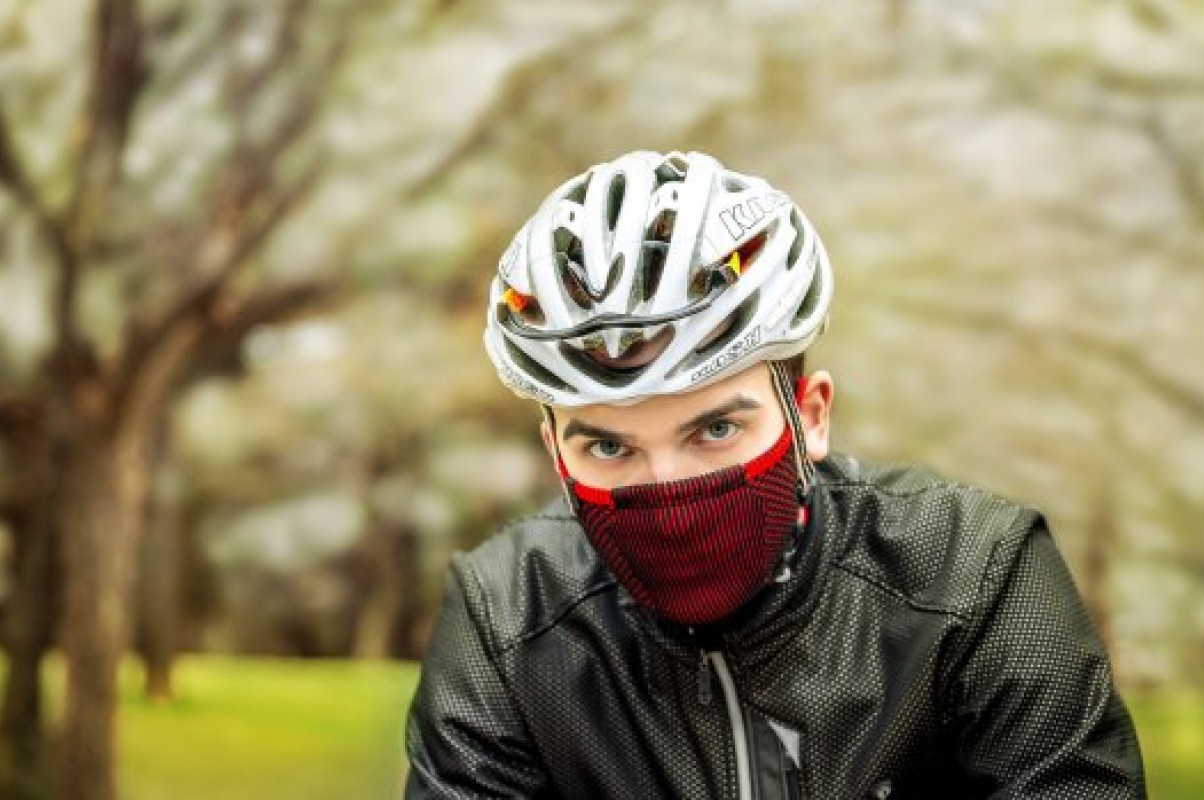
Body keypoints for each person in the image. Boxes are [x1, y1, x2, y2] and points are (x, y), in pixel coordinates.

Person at [404, 150, 1146, 798]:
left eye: (716, 430)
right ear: (554, 456)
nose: (665, 487)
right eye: (609, 448)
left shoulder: (976, 574)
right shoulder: (509, 618)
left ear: (810, 416)